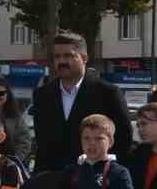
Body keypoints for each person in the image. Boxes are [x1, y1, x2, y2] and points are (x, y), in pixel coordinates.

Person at [30, 32, 134, 175]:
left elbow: (124, 139)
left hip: (94, 180)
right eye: (57, 56)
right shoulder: (42, 95)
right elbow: (42, 143)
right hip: (52, 182)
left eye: (68, 55)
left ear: (84, 58)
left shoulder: (108, 93)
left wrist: (108, 175)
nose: (61, 61)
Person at [0, 77, 33, 168]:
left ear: (7, 95)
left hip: (9, 166)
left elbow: (24, 142)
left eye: (1, 93)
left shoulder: (16, 118)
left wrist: (12, 162)